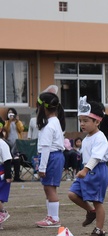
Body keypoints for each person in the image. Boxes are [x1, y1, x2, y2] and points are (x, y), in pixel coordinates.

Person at [67, 97, 108, 236]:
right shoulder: (86, 139)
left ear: (97, 121)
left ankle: (99, 230)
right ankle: (90, 211)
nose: (82, 124)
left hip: (97, 171)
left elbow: (96, 158)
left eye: (86, 121)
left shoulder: (100, 138)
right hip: (86, 171)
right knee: (72, 194)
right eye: (80, 121)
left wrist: (85, 170)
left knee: (97, 201)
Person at [35, 91, 66, 227]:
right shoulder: (55, 122)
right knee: (49, 188)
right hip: (54, 156)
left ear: (43, 108)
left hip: (51, 157)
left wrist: (42, 168)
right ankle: (51, 216)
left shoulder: (49, 125)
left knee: (50, 188)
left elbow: (46, 147)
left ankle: (54, 218)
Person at [0, 128, 14, 228]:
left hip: (2, 173)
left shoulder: (2, 143)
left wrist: (8, 176)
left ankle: (3, 213)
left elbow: (7, 160)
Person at [5, 108, 25, 180]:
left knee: (17, 159)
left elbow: (21, 129)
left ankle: (17, 176)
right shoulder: (6, 122)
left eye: (12, 113)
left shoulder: (18, 122)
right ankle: (8, 176)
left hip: (17, 143)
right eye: (9, 113)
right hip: (9, 143)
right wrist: (9, 122)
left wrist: (17, 121)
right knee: (9, 159)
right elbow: (6, 129)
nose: (11, 115)